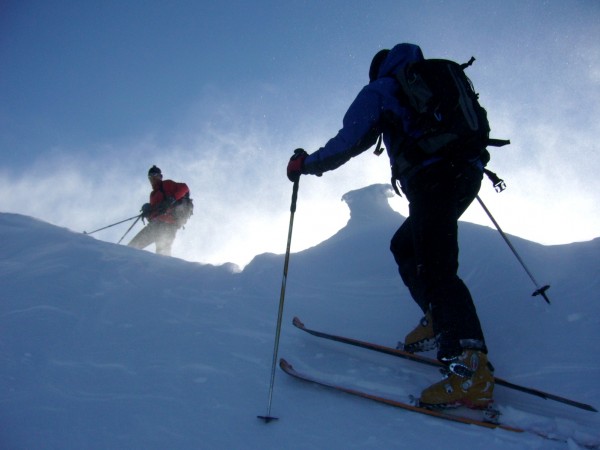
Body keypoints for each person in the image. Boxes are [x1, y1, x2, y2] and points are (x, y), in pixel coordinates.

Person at [286, 43, 494, 409]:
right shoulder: (431, 80)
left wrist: (306, 164)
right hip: (464, 172)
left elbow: (348, 141)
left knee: (438, 266)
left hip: (434, 177)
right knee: (407, 245)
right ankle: (437, 316)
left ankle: (470, 368)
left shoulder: (382, 89)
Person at [128, 165, 190, 256]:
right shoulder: (153, 194)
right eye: (150, 176)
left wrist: (172, 199)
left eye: (154, 175)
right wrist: (148, 212)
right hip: (155, 225)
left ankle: (165, 269)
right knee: (132, 247)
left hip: (169, 225)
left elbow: (185, 188)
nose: (152, 178)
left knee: (162, 254)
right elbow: (155, 214)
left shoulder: (166, 184)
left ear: (160, 176)